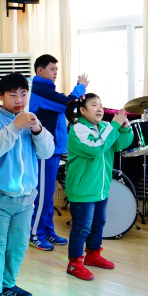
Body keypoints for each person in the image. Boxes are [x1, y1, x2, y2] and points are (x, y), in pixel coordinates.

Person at [0, 73, 55, 296]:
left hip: (25, 198)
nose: (19, 99)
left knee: (19, 245)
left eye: (23, 94)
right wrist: (15, 126)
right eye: (13, 95)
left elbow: (47, 152)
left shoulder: (31, 118)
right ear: (1, 96)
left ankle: (7, 285)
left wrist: (37, 129)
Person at [64, 94, 133, 281]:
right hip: (82, 190)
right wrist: (114, 126)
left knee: (98, 223)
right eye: (94, 105)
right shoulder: (77, 129)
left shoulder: (104, 127)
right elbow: (95, 147)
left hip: (100, 188)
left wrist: (124, 128)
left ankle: (93, 255)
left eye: (101, 105)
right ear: (83, 110)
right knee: (81, 228)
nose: (100, 108)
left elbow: (120, 144)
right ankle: (74, 263)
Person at [28, 54, 89, 251]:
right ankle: (35, 234)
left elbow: (67, 106)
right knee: (42, 196)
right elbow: (68, 104)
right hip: (44, 150)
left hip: (53, 149)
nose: (55, 73)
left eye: (56, 69)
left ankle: (47, 231)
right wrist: (80, 87)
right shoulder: (40, 90)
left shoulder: (48, 90)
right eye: (52, 69)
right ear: (40, 71)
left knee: (49, 195)